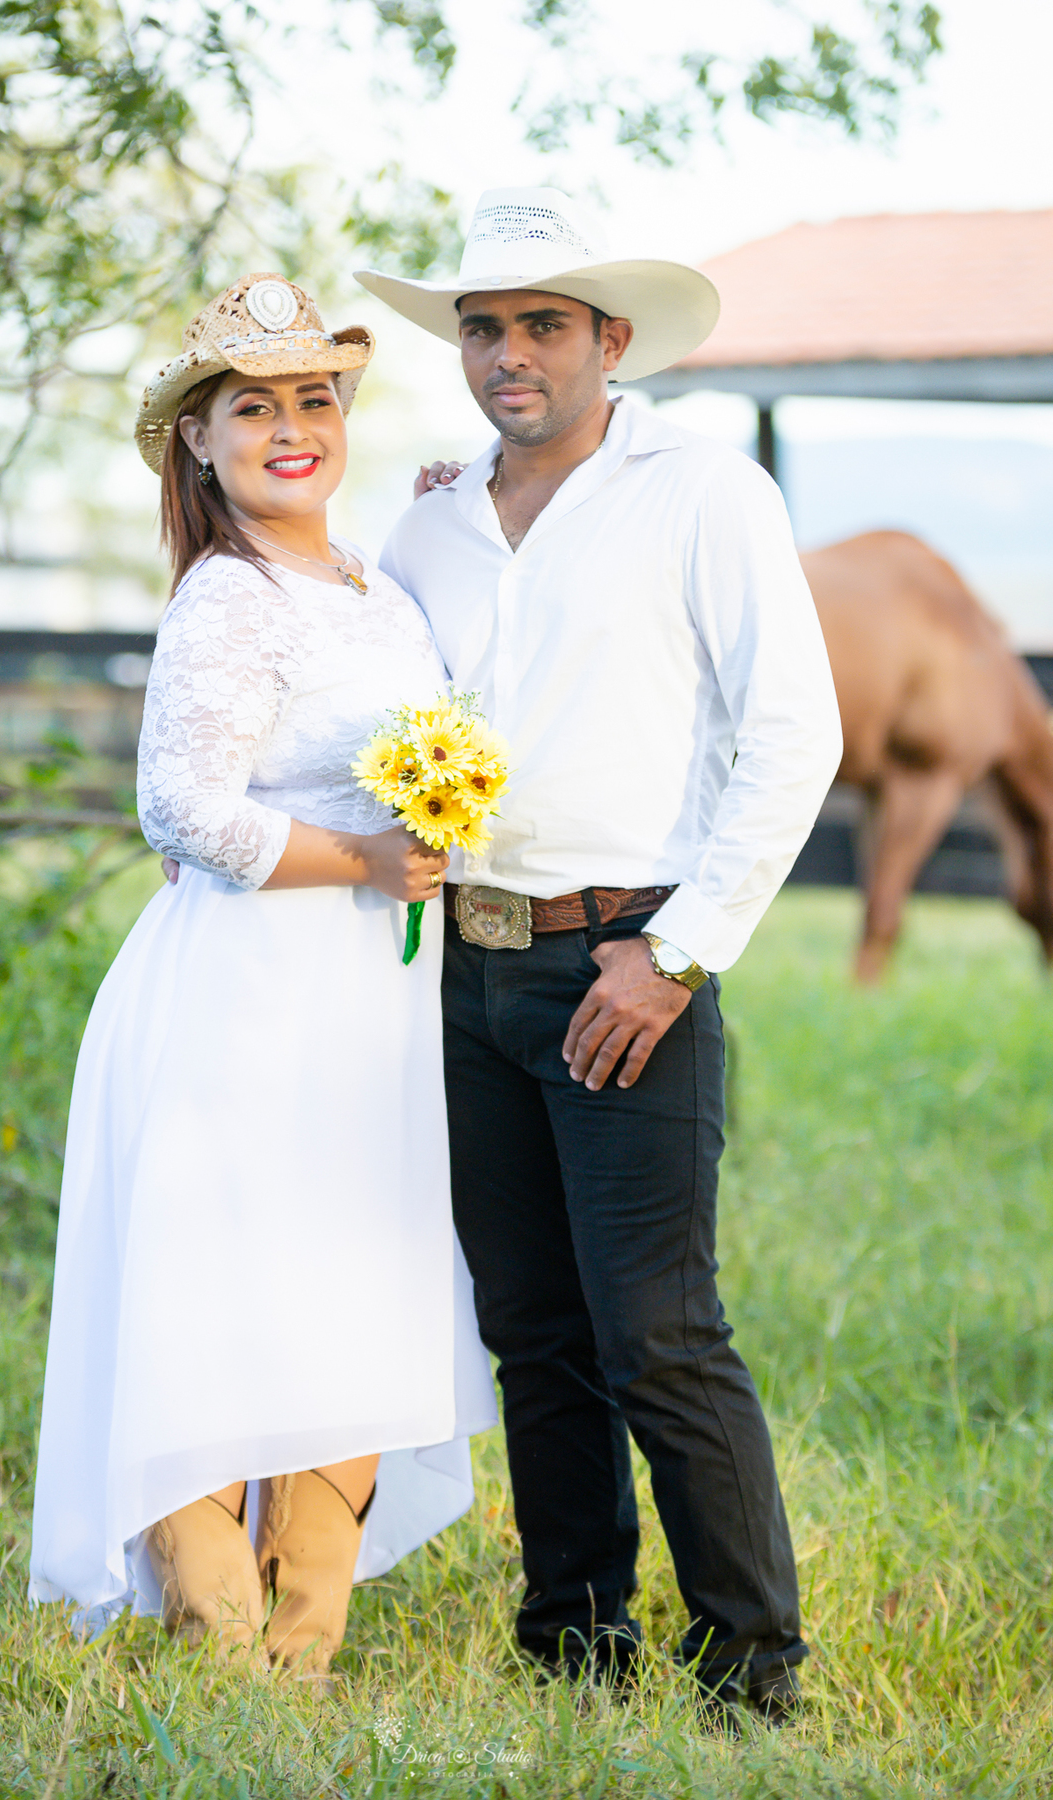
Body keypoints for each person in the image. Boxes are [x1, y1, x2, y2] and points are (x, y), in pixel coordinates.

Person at [354, 188, 843, 1715]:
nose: (509, 353)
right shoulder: (428, 521)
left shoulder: (704, 495)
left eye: (543, 324)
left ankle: (752, 1667)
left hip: (625, 964)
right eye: (483, 327)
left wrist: (674, 956)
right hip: (465, 972)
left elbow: (793, 735)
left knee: (659, 1333)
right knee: (534, 1330)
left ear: (610, 339)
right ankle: (572, 1637)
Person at [28, 274, 496, 1677]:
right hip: (244, 997)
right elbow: (179, 810)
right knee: (223, 1290)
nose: (292, 429)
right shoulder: (228, 597)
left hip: (372, 1003)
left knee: (349, 1282)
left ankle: (307, 1638)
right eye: (253, 407)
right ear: (200, 437)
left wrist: (454, 497)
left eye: (313, 399)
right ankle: (224, 1638)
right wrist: (366, 860)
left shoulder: (375, 586)